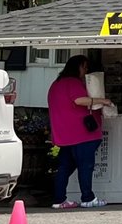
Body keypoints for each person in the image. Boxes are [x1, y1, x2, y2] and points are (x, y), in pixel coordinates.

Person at [47, 55, 112, 210]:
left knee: (64, 168)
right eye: (84, 67)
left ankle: (59, 199)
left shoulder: (56, 84)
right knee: (86, 166)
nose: (85, 71)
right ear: (78, 67)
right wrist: (103, 101)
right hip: (81, 134)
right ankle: (88, 198)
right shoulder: (73, 82)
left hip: (64, 134)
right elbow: (79, 100)